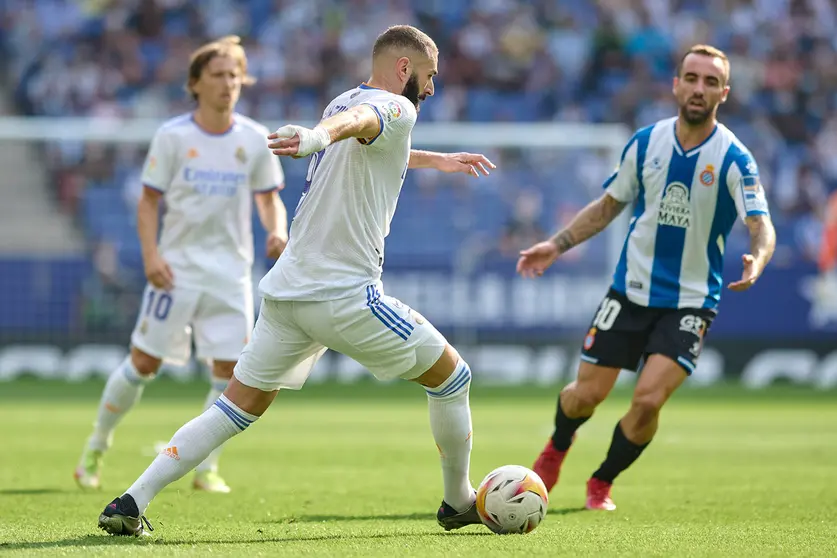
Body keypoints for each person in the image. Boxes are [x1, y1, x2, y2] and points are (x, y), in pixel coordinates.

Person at [97, 25, 496, 537]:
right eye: (429, 75)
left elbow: (363, 135)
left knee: (235, 406)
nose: (432, 88)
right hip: (344, 293)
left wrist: (433, 159)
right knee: (453, 377)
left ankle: (132, 499)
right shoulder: (396, 108)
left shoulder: (343, 100)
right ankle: (458, 500)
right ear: (404, 70)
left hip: (286, 292)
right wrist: (315, 137)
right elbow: (361, 124)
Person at [518, 44, 776, 511]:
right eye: (692, 78)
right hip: (630, 291)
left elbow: (762, 225)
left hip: (691, 301)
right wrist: (556, 245)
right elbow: (609, 205)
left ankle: (602, 480)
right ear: (676, 85)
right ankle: (556, 447)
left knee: (648, 401)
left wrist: (757, 259)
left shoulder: (735, 158)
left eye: (711, 81)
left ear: (724, 93)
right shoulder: (645, 143)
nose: (700, 88)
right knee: (583, 398)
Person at [75, 36, 289, 495]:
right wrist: (152, 255)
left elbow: (270, 200)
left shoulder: (254, 138)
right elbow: (148, 202)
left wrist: (278, 231)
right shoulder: (174, 136)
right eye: (218, 74)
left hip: (232, 273)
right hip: (177, 269)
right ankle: (97, 444)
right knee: (143, 363)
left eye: (235, 75)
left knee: (230, 373)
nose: (228, 83)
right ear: (195, 83)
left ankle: (206, 468)